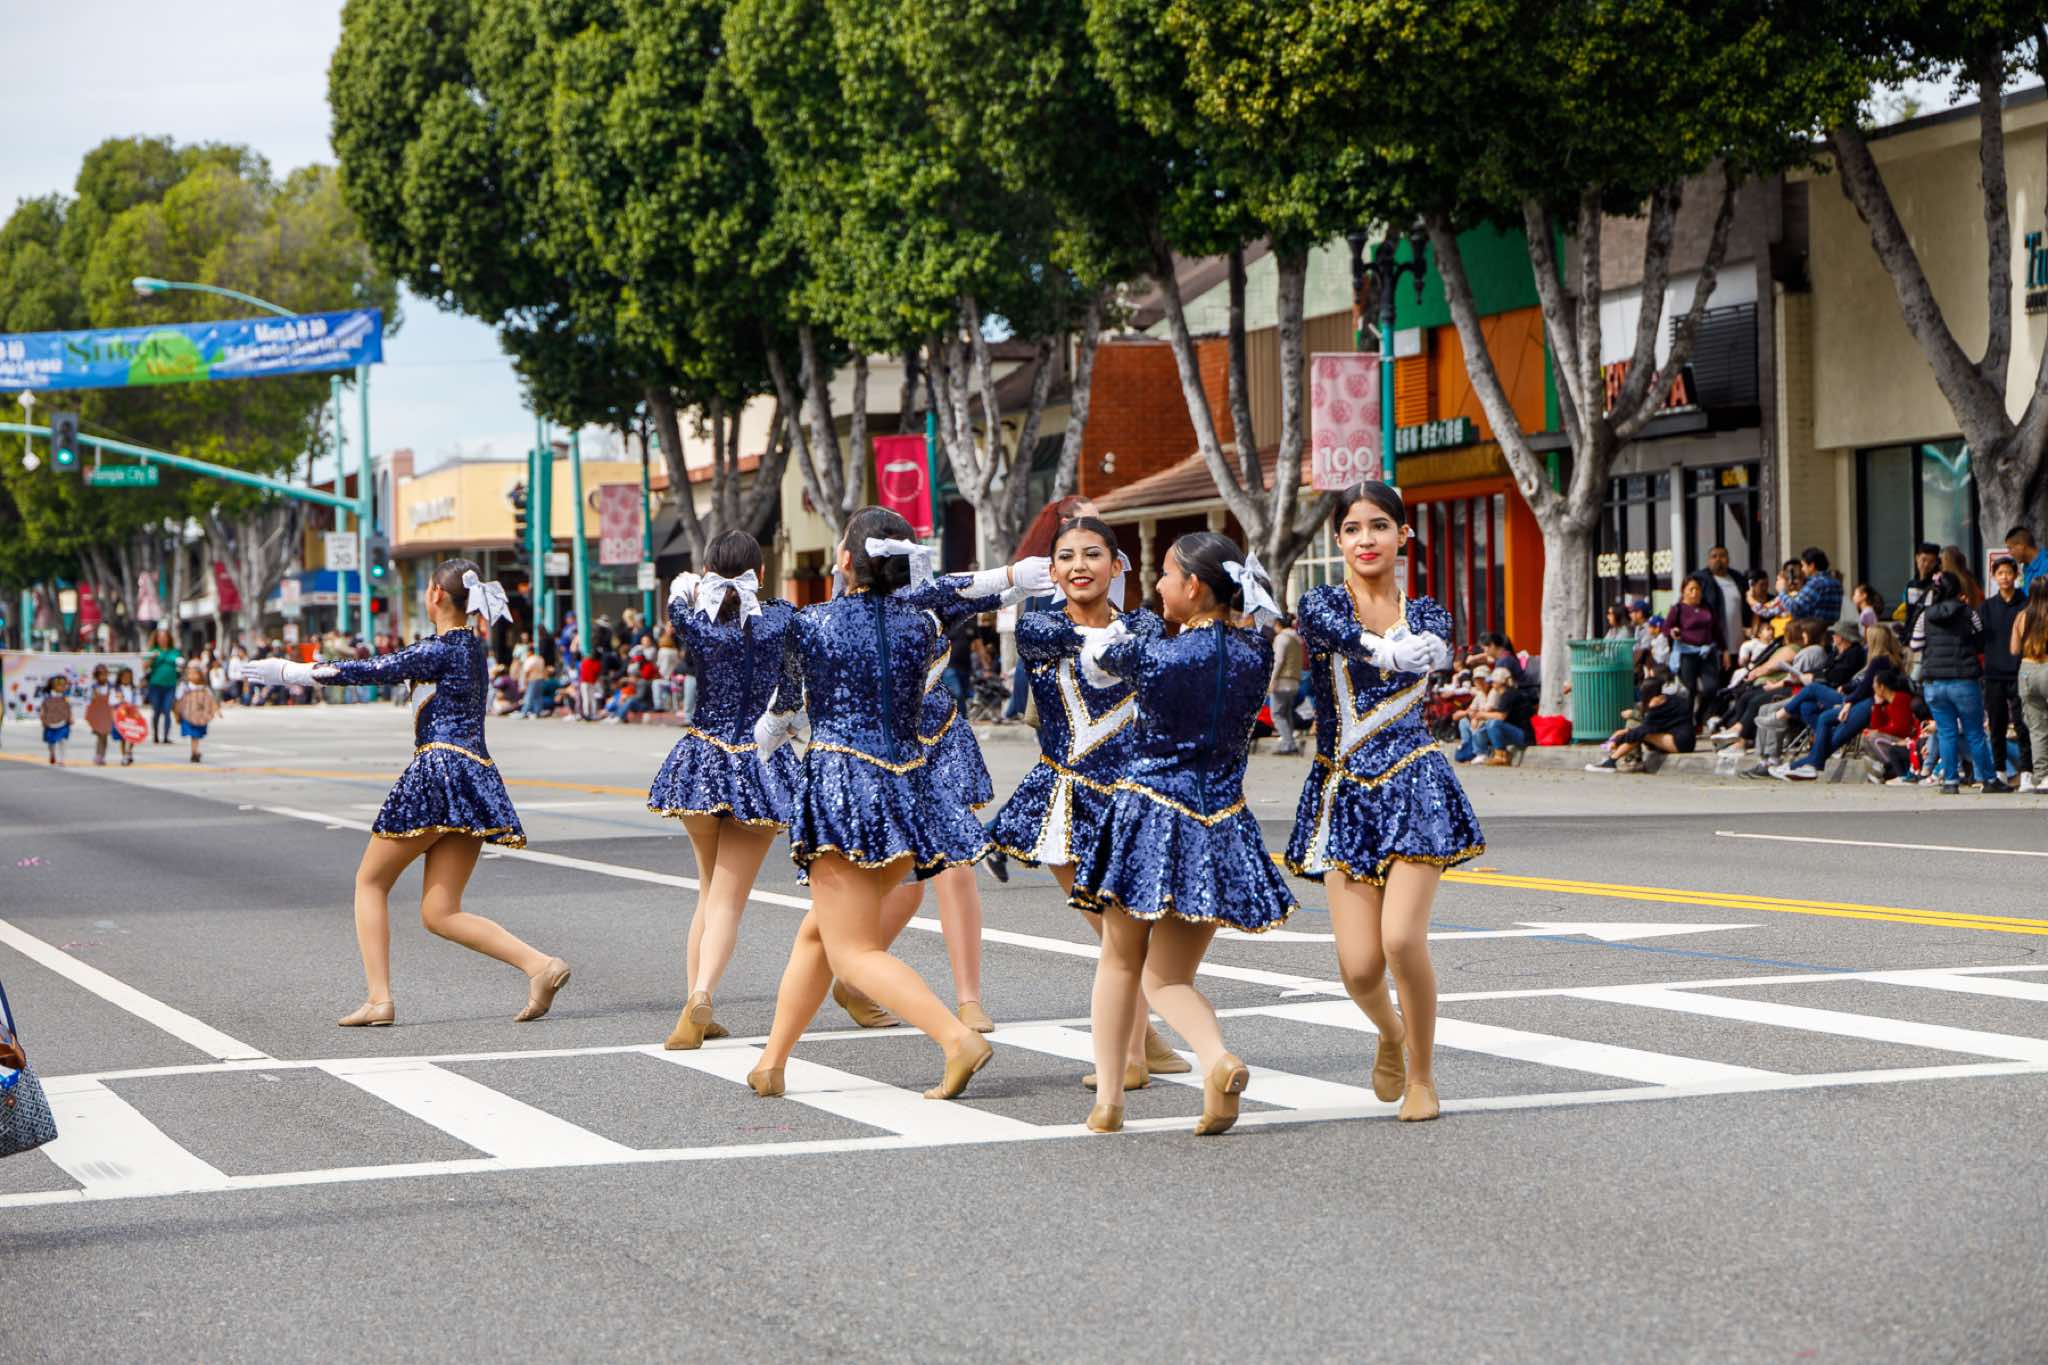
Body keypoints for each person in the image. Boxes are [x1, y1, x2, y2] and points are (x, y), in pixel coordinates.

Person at [746, 509, 1042, 1101]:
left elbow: (782, 710)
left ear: (846, 560)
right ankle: (771, 1063)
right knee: (819, 935)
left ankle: (956, 1038)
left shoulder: (810, 623)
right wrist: (1015, 574)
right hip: (905, 790)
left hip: (842, 789)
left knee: (852, 951)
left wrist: (766, 739)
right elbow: (968, 589)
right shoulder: (923, 622)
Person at [238, 560, 573, 1026]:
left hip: (437, 771)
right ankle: (540, 966)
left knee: (370, 883)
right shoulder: (472, 648)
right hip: (475, 777)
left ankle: (379, 998)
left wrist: (292, 671)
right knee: (440, 911)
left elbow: (371, 668)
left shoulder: (440, 648)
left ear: (435, 594)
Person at [1075, 531, 1297, 1136]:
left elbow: (1096, 662)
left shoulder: (1158, 654)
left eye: (1168, 576)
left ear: (1193, 586)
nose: (1158, 586)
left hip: (1148, 815)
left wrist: (1132, 621)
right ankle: (1215, 1057)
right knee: (1169, 978)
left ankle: (1110, 1101)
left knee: (1120, 961)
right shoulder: (1255, 655)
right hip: (1220, 823)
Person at [1284, 482, 1485, 1125]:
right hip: (1343, 790)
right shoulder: (1320, 604)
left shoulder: (1428, 613)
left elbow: (1437, 646)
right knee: (1360, 969)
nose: (1365, 539)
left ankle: (1423, 1076)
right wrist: (1384, 650)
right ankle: (1391, 1031)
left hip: (1414, 784)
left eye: (1378, 526)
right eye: (1352, 528)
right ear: (1338, 540)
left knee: (1400, 939)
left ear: (1404, 535)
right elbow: (1335, 633)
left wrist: (1432, 650)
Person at [983, 515, 1188, 1088]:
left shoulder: (1145, 625)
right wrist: (1108, 641)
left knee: (1129, 934)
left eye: (1093, 554)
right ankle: (1137, 1050)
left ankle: (1139, 1048)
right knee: (1114, 933)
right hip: (1064, 803)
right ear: (1051, 572)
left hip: (1131, 801)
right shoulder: (1039, 626)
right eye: (1067, 557)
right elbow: (1069, 643)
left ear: (1117, 565)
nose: (1080, 566)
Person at [645, 531, 801, 1050]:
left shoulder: (700, 623)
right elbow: (793, 692)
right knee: (727, 901)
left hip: (704, 758)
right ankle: (702, 995)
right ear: (761, 571)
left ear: (709, 571)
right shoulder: (781, 618)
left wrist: (681, 590)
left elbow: (676, 609)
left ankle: (694, 1007)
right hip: (759, 761)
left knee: (708, 891)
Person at [1002, 495, 1099, 721]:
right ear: (1067, 523)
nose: (1100, 527)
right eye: (1092, 520)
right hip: (1055, 688)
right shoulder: (1053, 572)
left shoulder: (1058, 566)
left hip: (1054, 684)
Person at [1914, 570, 2010, 794]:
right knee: (1974, 733)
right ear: (1958, 590)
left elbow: (1916, 644)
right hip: (1964, 680)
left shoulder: (1925, 616)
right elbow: (1981, 639)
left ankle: (1950, 782)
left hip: (1934, 682)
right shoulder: (1968, 612)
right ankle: (1988, 779)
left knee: (1946, 733)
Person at [1982, 556, 2033, 787]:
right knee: (1997, 723)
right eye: (2000, 573)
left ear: (2016, 575)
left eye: (2008, 573)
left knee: (2023, 724)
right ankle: (2000, 771)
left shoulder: (2025, 604)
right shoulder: (1986, 607)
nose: (2004, 577)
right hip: (1993, 672)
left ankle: (2027, 771)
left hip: (2020, 670)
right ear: (1994, 576)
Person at [1586, 669, 1696, 772]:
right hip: (1687, 740)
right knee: (1637, 730)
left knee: (1642, 734)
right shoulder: (1672, 699)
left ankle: (1612, 761)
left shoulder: (1656, 704)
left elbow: (1644, 730)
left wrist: (1618, 740)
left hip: (1679, 743)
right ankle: (1619, 759)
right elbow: (1656, 725)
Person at [1663, 576, 1721, 724]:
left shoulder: (1707, 608)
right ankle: (1686, 723)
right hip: (1686, 653)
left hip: (1706, 653)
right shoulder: (1678, 609)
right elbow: (1666, 628)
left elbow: (1716, 630)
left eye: (1698, 589)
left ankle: (1700, 716)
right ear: (1684, 591)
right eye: (1691, 589)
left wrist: (1724, 650)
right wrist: (1673, 631)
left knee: (1711, 687)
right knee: (1689, 690)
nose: (1695, 593)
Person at [2011, 578, 2048, 794]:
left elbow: (2014, 649)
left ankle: (2042, 777)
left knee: (2037, 728)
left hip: (2027, 670)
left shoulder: (2021, 616)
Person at [1694, 544, 1748, 666]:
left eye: (1722, 556)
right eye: (1714, 556)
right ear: (1708, 560)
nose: (1718, 559)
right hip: (1713, 645)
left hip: (1738, 645)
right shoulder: (1701, 579)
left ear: (1728, 559)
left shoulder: (1738, 579)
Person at [1268, 612, 1306, 755]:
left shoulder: (1281, 638)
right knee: (1287, 713)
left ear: (1278, 624)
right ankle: (1290, 743)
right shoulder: (1297, 639)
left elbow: (1278, 660)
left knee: (1277, 714)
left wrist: (1272, 680)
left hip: (1281, 681)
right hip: (1294, 680)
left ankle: (1288, 744)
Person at [173, 663, 220, 763]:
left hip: (200, 716)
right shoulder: (184, 686)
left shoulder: (204, 688)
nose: (192, 676)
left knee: (196, 735)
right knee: (194, 735)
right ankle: (194, 752)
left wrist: (217, 710)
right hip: (187, 715)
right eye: (189, 674)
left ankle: (195, 751)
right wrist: (176, 713)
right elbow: (178, 700)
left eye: (194, 674)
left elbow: (211, 700)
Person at [1896, 541, 1942, 640]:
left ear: (1936, 563)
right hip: (1912, 635)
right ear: (1917, 558)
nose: (1926, 565)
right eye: (1924, 560)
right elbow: (1909, 612)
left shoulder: (1937, 585)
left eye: (1931, 562)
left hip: (1930, 635)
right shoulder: (1910, 585)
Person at [143, 627, 180, 744]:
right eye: (160, 637)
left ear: (169, 638)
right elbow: (144, 666)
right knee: (156, 710)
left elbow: (180, 665)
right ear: (157, 639)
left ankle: (166, 737)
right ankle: (155, 735)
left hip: (170, 685)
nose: (163, 639)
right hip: (155, 685)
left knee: (167, 710)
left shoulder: (174, 651)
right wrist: (151, 658)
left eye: (165, 637)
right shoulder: (153, 650)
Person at [84, 664, 114, 767]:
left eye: (105, 674)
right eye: (101, 675)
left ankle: (102, 755)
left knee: (104, 736)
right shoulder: (94, 687)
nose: (103, 677)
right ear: (97, 676)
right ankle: (98, 754)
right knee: (100, 735)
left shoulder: (111, 687)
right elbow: (89, 700)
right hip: (98, 714)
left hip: (107, 714)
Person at [39, 675, 72, 765]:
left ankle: (62, 759)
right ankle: (52, 754)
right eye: (60, 685)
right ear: (53, 686)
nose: (63, 687)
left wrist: (70, 717)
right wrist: (43, 719)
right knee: (51, 741)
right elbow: (43, 709)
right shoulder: (47, 698)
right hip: (50, 722)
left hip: (63, 722)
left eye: (64, 685)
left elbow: (68, 708)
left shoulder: (65, 698)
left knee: (63, 740)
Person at [2007, 525, 2047, 593]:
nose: (2010, 553)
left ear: (2021, 546)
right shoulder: (2024, 568)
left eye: (2010, 548)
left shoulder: (2046, 565)